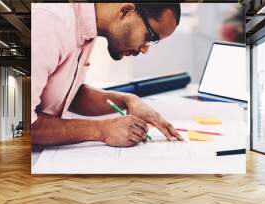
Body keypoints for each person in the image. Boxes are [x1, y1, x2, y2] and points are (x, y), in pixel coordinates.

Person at [31, 3, 184, 147]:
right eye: (150, 37)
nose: (144, 50)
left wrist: (127, 101)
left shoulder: (85, 31)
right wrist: (101, 130)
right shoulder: (49, 23)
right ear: (126, 11)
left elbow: (65, 95)